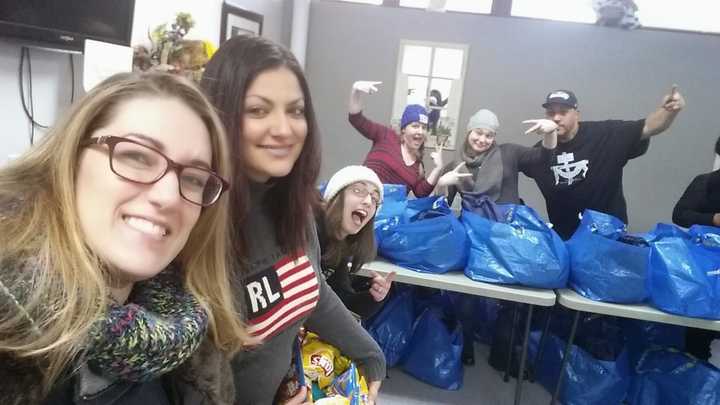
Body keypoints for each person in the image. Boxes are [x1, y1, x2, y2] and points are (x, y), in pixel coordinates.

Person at [0, 72, 250, 404]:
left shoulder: (193, 336)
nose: (169, 196)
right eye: (136, 156)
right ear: (70, 158)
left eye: (193, 178)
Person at [201, 36, 386, 405]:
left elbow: (310, 290)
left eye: (296, 110)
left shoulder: (295, 207)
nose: (284, 129)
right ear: (221, 113)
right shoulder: (198, 222)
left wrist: (370, 355)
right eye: (258, 110)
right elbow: (189, 379)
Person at [524, 87, 685, 239]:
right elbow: (510, 162)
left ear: (577, 114)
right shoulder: (540, 152)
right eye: (551, 113)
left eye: (563, 112)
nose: (556, 118)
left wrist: (669, 110)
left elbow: (649, 126)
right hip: (565, 238)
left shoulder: (606, 134)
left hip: (608, 235)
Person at [317, 165, 395, 320]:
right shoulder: (308, 231)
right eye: (358, 191)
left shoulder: (339, 246)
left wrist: (374, 297)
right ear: (335, 196)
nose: (368, 202)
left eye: (374, 199)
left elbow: (343, 304)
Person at [436, 108, 558, 205]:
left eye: (489, 135)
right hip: (475, 230)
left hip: (508, 230)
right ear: (469, 131)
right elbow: (441, 210)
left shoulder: (509, 153)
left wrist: (551, 133)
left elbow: (544, 158)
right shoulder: (455, 167)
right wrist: (441, 185)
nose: (482, 140)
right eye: (478, 133)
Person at [348, 81, 443, 197]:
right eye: (415, 126)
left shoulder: (418, 166)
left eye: (424, 127)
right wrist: (356, 91)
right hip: (361, 203)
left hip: (388, 214)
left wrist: (438, 169)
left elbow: (421, 193)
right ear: (403, 129)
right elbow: (356, 120)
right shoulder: (386, 136)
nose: (420, 131)